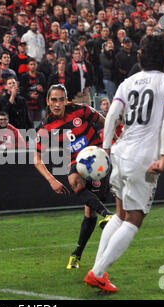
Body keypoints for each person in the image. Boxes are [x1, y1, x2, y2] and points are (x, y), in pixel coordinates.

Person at [86, 34, 164, 293]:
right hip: (144, 159)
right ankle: (97, 272)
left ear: (141, 56)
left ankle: (98, 269)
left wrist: (106, 149)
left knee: (120, 214)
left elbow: (112, 116)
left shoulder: (128, 82)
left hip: (120, 152)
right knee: (134, 219)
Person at [34, 83, 113, 270]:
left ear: (66, 100)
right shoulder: (46, 128)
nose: (57, 104)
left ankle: (76, 254)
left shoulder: (82, 110)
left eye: (61, 99)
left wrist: (111, 143)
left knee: (89, 212)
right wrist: (51, 180)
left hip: (99, 159)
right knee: (73, 180)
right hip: (77, 163)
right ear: (48, 102)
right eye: (53, 100)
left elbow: (106, 123)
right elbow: (36, 157)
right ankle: (107, 215)